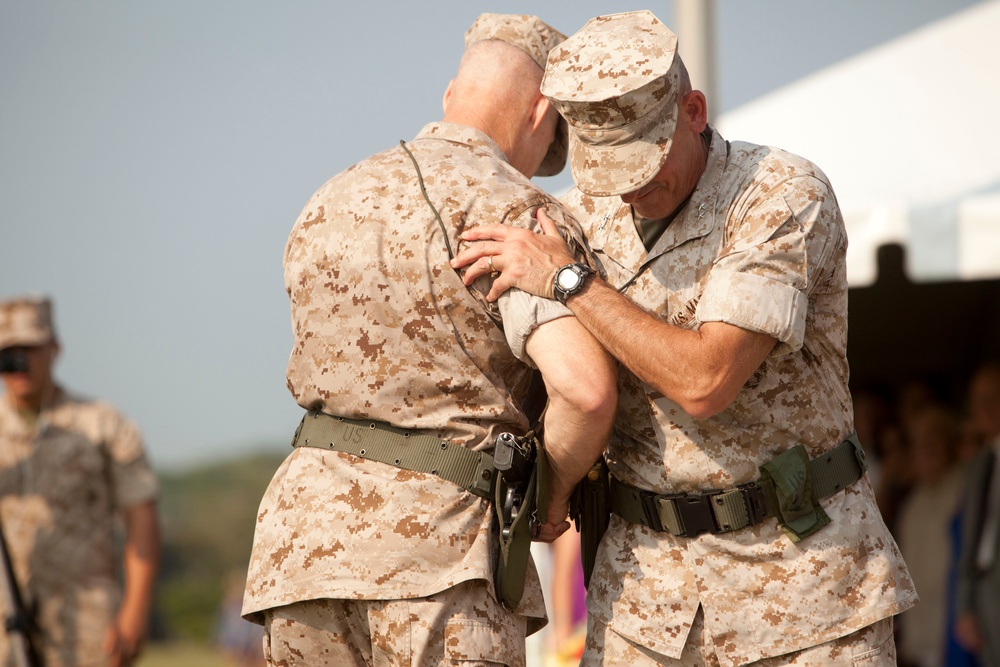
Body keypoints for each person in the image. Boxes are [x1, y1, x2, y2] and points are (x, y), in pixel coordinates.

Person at [454, 10, 916, 666]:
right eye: (604, 164)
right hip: (646, 604)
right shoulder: (573, 218)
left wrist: (571, 281)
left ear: (693, 110)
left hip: (805, 592)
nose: (630, 184)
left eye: (643, 157)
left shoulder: (777, 195)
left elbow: (707, 380)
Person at [241, 14, 617, 667]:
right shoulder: (518, 215)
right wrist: (551, 495)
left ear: (451, 96)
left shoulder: (328, 199)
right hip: (438, 558)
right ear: (540, 114)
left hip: (298, 554)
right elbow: (584, 392)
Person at [0, 295, 160, 667]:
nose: (19, 362)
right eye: (9, 352)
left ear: (54, 348)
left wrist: (134, 612)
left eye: (29, 349)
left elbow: (141, 517)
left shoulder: (102, 425)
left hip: (87, 621)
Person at [895, 405, 969, 667]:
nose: (924, 449)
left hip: (957, 634)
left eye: (932, 439)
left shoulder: (968, 489)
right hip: (919, 639)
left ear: (950, 441)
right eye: (917, 442)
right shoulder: (912, 505)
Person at [954, 362, 1000, 666]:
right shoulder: (981, 462)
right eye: (977, 400)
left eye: (992, 397)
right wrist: (965, 605)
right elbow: (971, 540)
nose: (982, 408)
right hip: (985, 589)